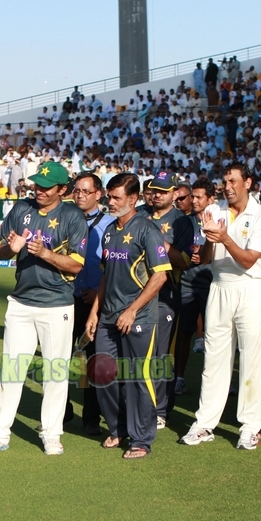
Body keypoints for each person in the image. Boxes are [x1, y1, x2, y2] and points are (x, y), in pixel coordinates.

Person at [0, 162, 87, 456]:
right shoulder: (20, 209)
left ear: (62, 190)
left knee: (55, 372)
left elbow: (76, 265)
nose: (38, 190)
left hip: (57, 305)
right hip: (20, 303)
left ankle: (51, 434)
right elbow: (1, 250)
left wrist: (45, 253)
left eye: (46, 186)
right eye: (37, 184)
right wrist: (9, 250)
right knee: (11, 371)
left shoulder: (73, 216)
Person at [179, 164, 261, 450]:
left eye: (233, 181)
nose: (227, 186)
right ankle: (204, 423)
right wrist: (209, 241)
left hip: (249, 286)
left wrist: (224, 238)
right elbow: (206, 258)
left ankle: (249, 427)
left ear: (248, 182)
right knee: (214, 358)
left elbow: (248, 261)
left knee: (250, 358)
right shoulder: (215, 211)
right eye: (224, 181)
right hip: (218, 285)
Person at [84, 173, 172, 459]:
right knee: (102, 374)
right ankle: (118, 428)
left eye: (116, 197)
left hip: (139, 318)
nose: (110, 201)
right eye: (109, 196)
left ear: (132, 199)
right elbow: (105, 275)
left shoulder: (148, 230)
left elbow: (160, 276)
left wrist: (132, 310)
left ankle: (141, 440)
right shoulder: (109, 230)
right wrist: (94, 313)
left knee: (137, 379)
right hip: (108, 317)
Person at [141, 170, 192, 429]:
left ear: (174, 193)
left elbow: (184, 261)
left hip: (165, 296)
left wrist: (157, 241)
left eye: (163, 191)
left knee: (162, 355)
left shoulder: (182, 222)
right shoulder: (139, 214)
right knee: (138, 356)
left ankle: (161, 410)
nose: (157, 195)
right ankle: (139, 405)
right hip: (136, 295)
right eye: (154, 190)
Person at [70, 171, 114, 435]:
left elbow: (113, 265)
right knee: (59, 359)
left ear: (98, 194)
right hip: (66, 299)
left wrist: (98, 295)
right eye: (76, 190)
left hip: (97, 303)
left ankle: (91, 418)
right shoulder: (64, 218)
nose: (80, 195)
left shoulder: (110, 223)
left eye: (86, 191)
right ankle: (59, 413)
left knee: (94, 362)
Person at [173, 178, 215, 395]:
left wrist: (208, 255)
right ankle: (179, 377)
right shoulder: (182, 222)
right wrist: (190, 256)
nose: (195, 201)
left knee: (216, 335)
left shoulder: (220, 221)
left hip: (213, 284)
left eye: (200, 197)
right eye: (194, 196)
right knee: (184, 333)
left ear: (211, 199)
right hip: (188, 283)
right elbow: (177, 250)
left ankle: (218, 380)